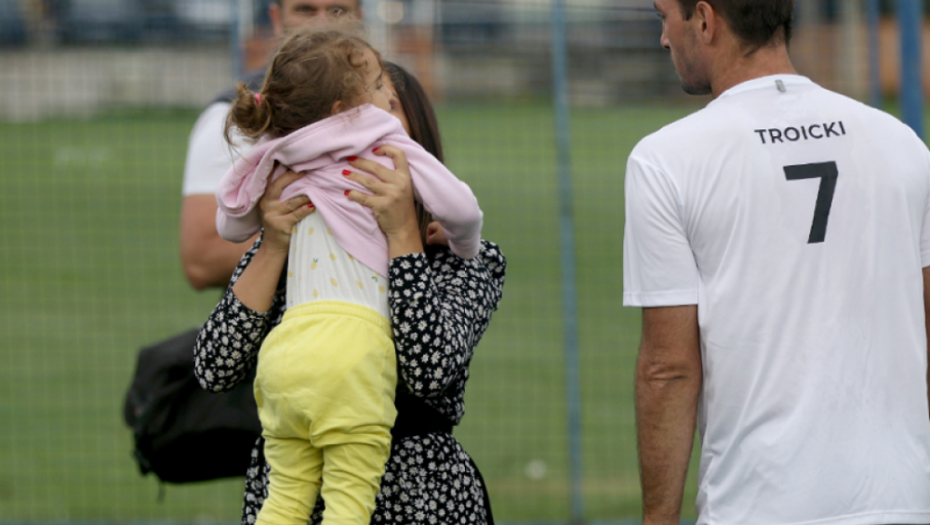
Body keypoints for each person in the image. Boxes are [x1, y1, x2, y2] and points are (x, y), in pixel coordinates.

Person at [623, 1, 930, 525]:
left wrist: (658, 519)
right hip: (903, 500)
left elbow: (668, 369)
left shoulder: (664, 160)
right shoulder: (901, 143)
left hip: (759, 504)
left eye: (663, 17)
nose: (664, 39)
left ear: (704, 18)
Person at [194, 61, 505, 525]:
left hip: (417, 496)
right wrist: (274, 245)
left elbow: (429, 373)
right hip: (290, 491)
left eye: (386, 102)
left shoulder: (467, 257)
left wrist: (403, 238)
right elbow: (214, 367)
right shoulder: (297, 236)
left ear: (415, 136)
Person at [180, 0, 362, 290]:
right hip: (278, 326)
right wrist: (329, 231)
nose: (323, 23)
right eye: (305, 10)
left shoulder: (395, 101)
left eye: (338, 10)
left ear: (359, 18)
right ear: (277, 19)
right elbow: (202, 261)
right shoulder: (239, 114)